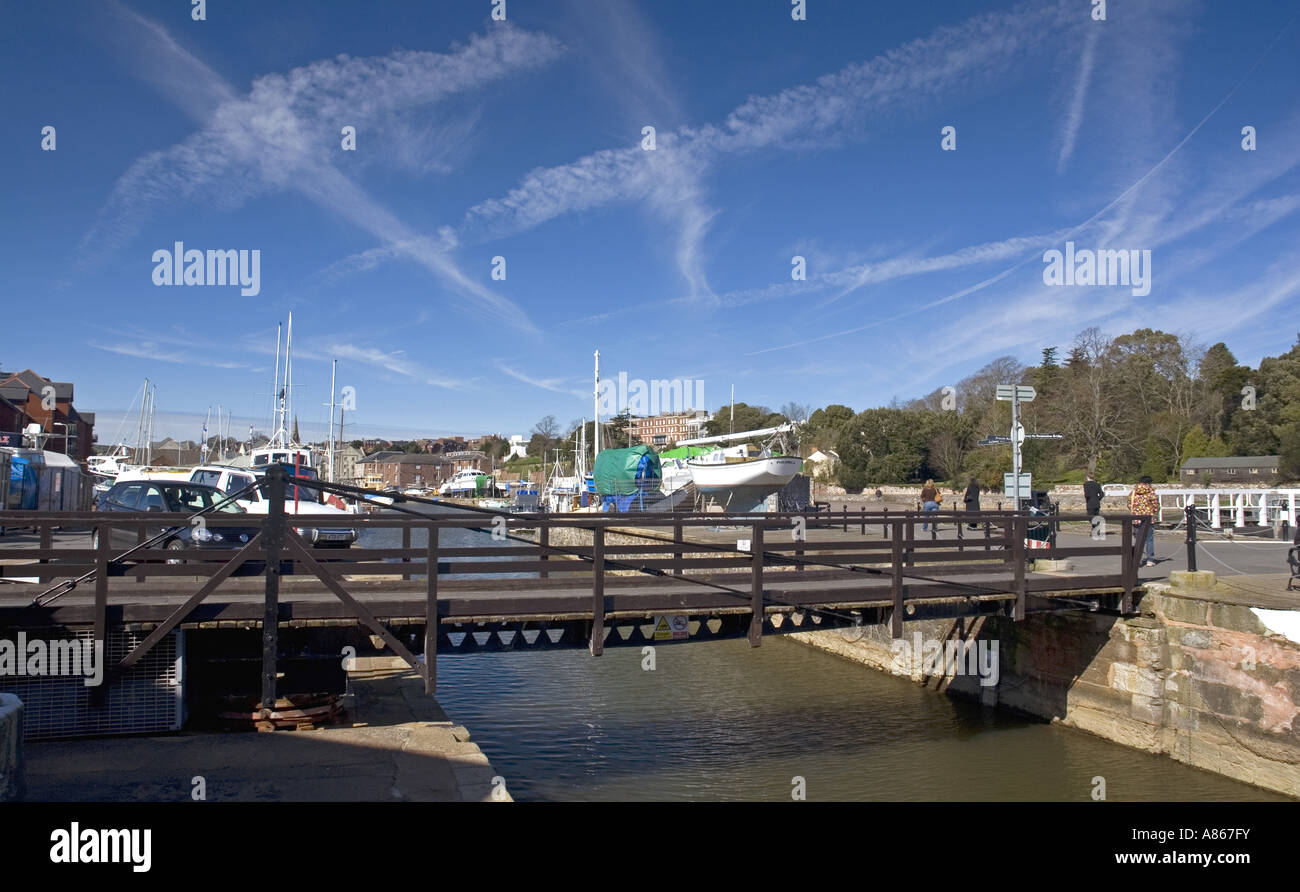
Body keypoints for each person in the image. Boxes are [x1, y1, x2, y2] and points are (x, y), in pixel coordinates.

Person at [1128, 475, 1159, 566]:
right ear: (1148, 483)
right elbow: (1156, 507)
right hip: (1148, 519)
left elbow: (1129, 505)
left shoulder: (1133, 493)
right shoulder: (1151, 493)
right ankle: (1150, 559)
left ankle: (1137, 559)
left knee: (1138, 540)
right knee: (1149, 539)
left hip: (1136, 519)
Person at [1083, 474, 1105, 538]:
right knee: (1096, 516)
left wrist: (1087, 499)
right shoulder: (1097, 484)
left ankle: (1095, 529)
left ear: (1088, 478)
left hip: (1090, 503)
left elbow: (1086, 494)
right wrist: (1097, 499)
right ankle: (1095, 530)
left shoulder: (1086, 484)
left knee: (1090, 517)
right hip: (1096, 503)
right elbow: (1102, 494)